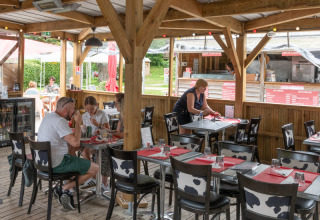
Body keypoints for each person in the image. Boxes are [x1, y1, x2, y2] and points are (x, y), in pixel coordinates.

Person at [37, 97, 99, 210]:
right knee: (95, 168)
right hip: (57, 164)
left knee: (72, 153)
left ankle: (69, 192)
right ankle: (64, 188)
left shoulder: (49, 117)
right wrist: (78, 122)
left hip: (43, 163)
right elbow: (75, 142)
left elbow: (71, 144)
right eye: (73, 109)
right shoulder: (60, 121)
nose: (74, 112)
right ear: (65, 110)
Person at [81, 96, 110, 191]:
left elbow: (108, 131)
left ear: (96, 106)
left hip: (102, 141)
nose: (89, 111)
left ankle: (102, 182)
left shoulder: (102, 114)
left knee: (100, 154)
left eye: (92, 108)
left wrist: (98, 125)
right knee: (84, 152)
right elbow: (85, 130)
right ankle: (94, 177)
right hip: (91, 141)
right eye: (87, 108)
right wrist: (83, 130)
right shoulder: (84, 116)